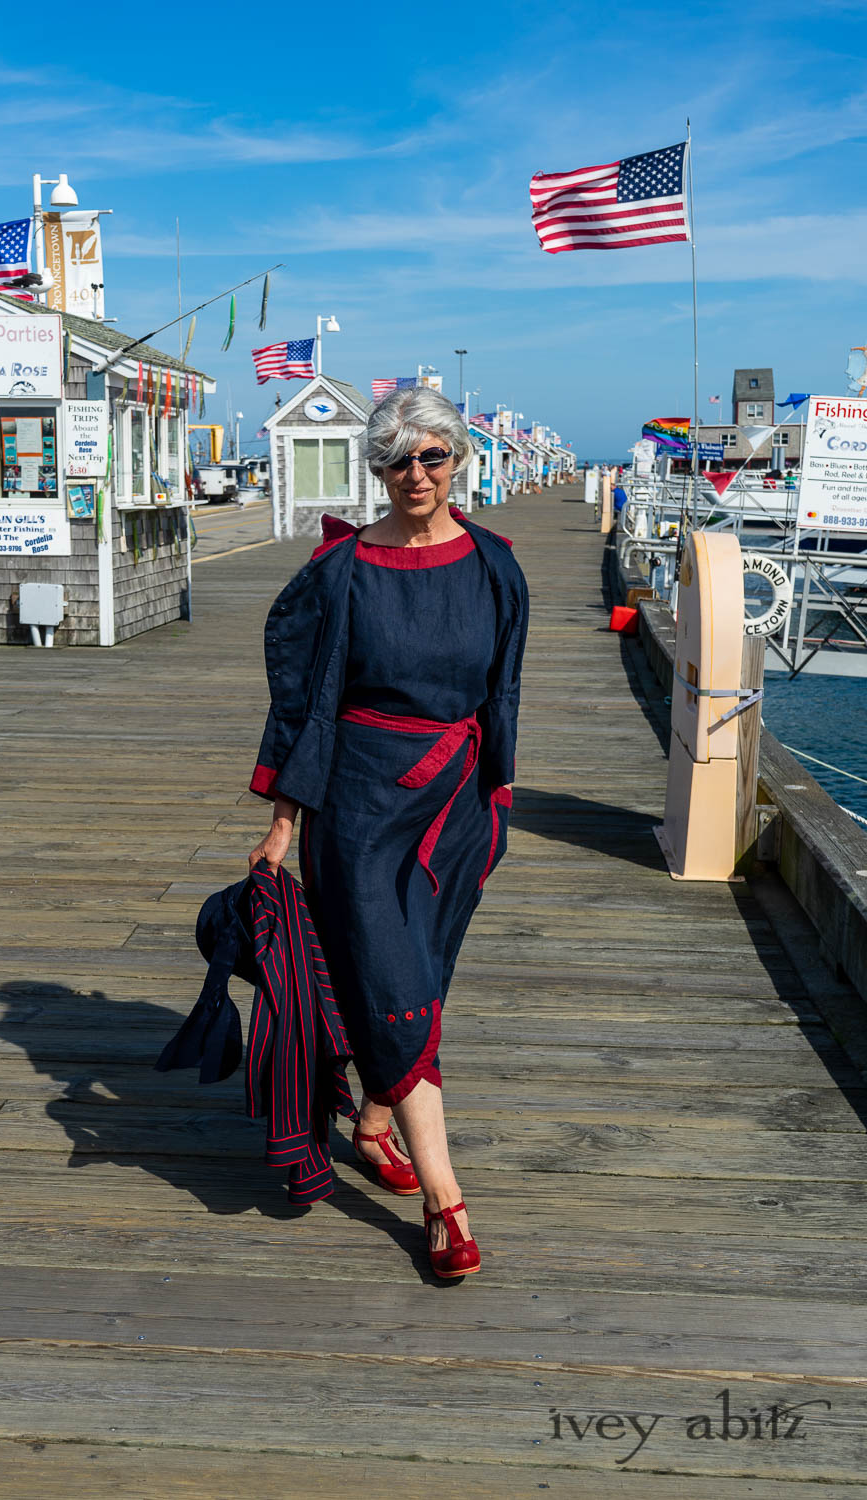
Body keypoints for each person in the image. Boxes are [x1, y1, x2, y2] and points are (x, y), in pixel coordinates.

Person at [247, 387, 529, 1278]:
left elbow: (505, 692)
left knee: (423, 976)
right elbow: (301, 698)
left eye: (433, 455)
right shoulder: (340, 572)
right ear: (378, 470)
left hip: (455, 806)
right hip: (359, 806)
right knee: (391, 977)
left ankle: (374, 1123)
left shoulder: (496, 565)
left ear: (458, 460)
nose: (417, 474)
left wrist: (499, 802)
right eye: (399, 460)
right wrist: (284, 820)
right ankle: (447, 1200)